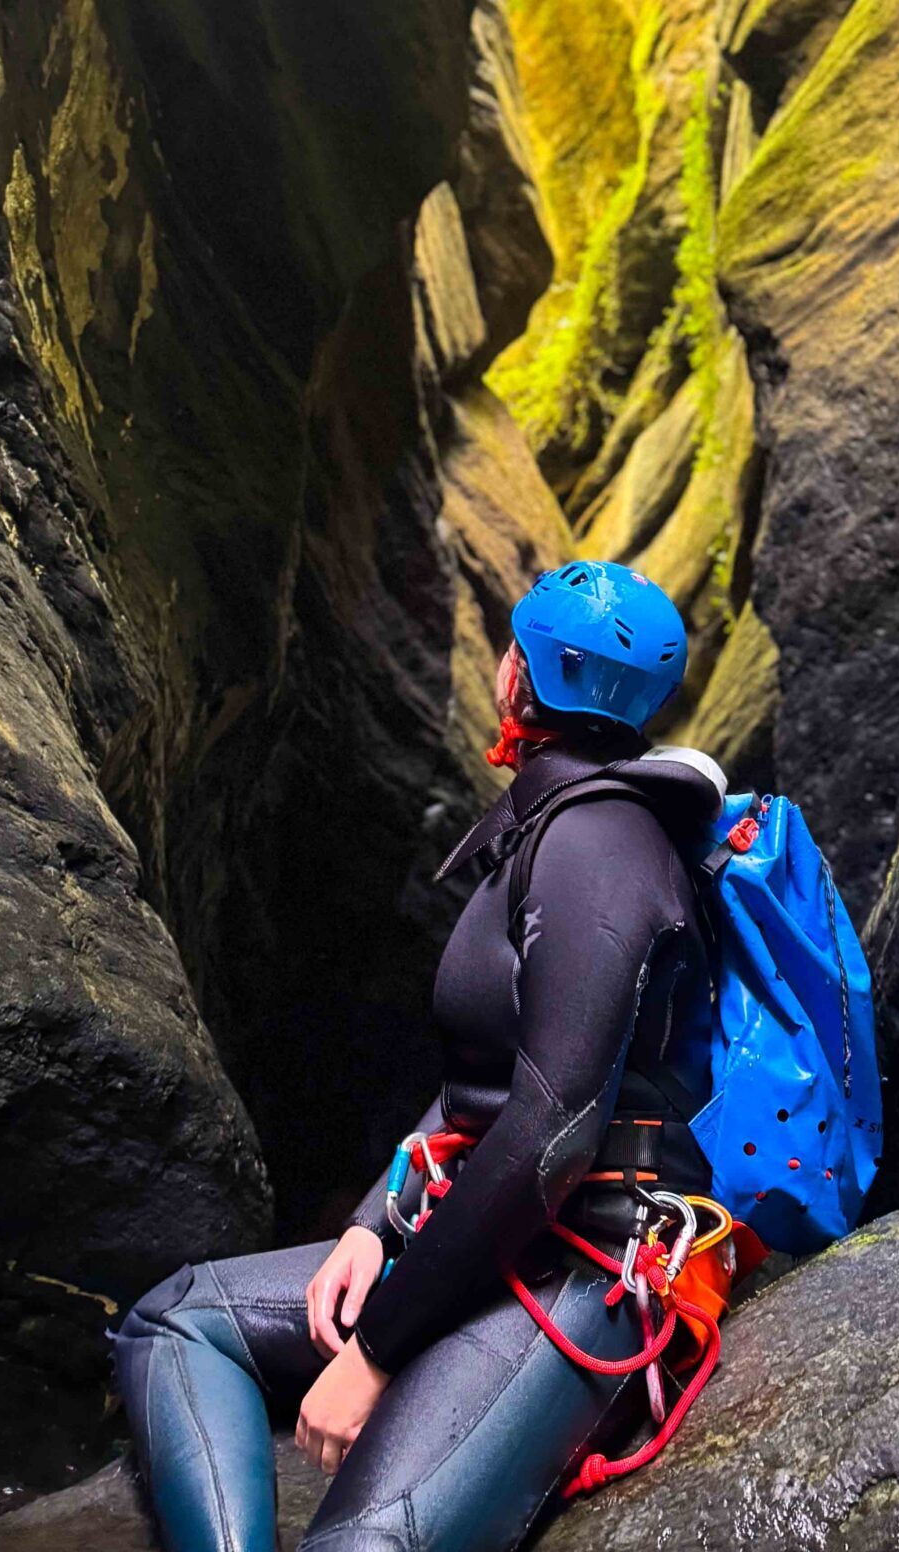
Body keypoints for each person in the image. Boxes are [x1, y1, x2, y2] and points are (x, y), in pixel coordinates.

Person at [112, 561, 728, 1552]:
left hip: (589, 1265)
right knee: (177, 1322)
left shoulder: (602, 843)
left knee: (365, 1543)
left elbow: (553, 1132)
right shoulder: (557, 827)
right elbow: (477, 1088)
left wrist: (375, 1351)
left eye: (511, 648)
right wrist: (371, 1225)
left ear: (523, 677)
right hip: (492, 1233)